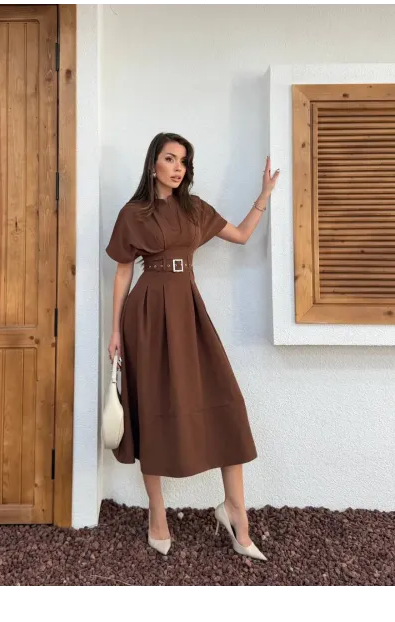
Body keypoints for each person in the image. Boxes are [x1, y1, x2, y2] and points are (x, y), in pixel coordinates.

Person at [106, 132, 279, 560]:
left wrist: (263, 197)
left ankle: (235, 512)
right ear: (153, 165)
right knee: (151, 409)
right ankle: (157, 514)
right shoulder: (133, 213)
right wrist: (115, 332)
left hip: (189, 311)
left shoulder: (194, 209)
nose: (178, 167)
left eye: (183, 161)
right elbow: (124, 273)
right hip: (147, 316)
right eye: (170, 158)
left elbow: (241, 235)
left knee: (226, 403)